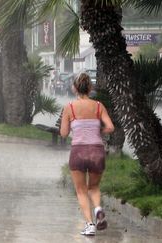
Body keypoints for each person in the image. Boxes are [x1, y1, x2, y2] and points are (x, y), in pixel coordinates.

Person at [60, 73, 115, 236]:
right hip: (96, 151)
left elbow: (63, 133)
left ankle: (90, 225)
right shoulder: (98, 106)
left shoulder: (69, 107)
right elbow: (111, 127)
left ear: (74, 88)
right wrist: (98, 130)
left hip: (78, 152)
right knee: (94, 187)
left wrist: (74, 128)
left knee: (81, 190)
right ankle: (98, 209)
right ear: (90, 88)